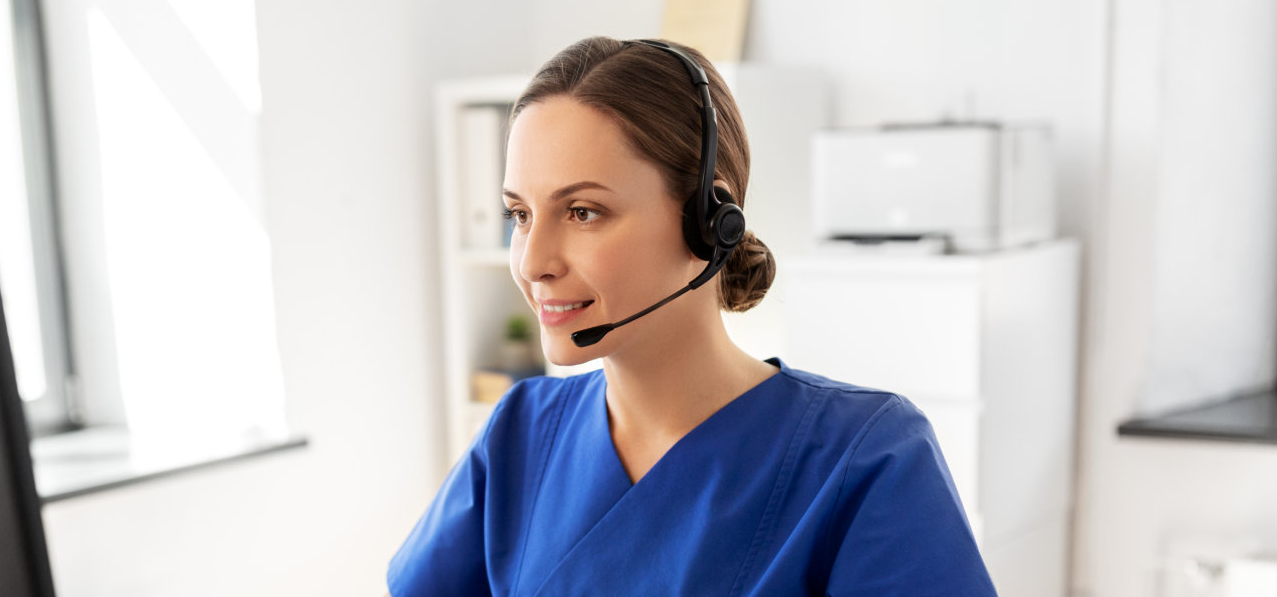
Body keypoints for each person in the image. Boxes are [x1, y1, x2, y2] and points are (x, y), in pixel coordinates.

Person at [387, 36, 997, 596]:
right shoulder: (521, 432)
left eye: (582, 212)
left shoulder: (868, 457)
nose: (532, 262)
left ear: (709, 219)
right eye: (519, 214)